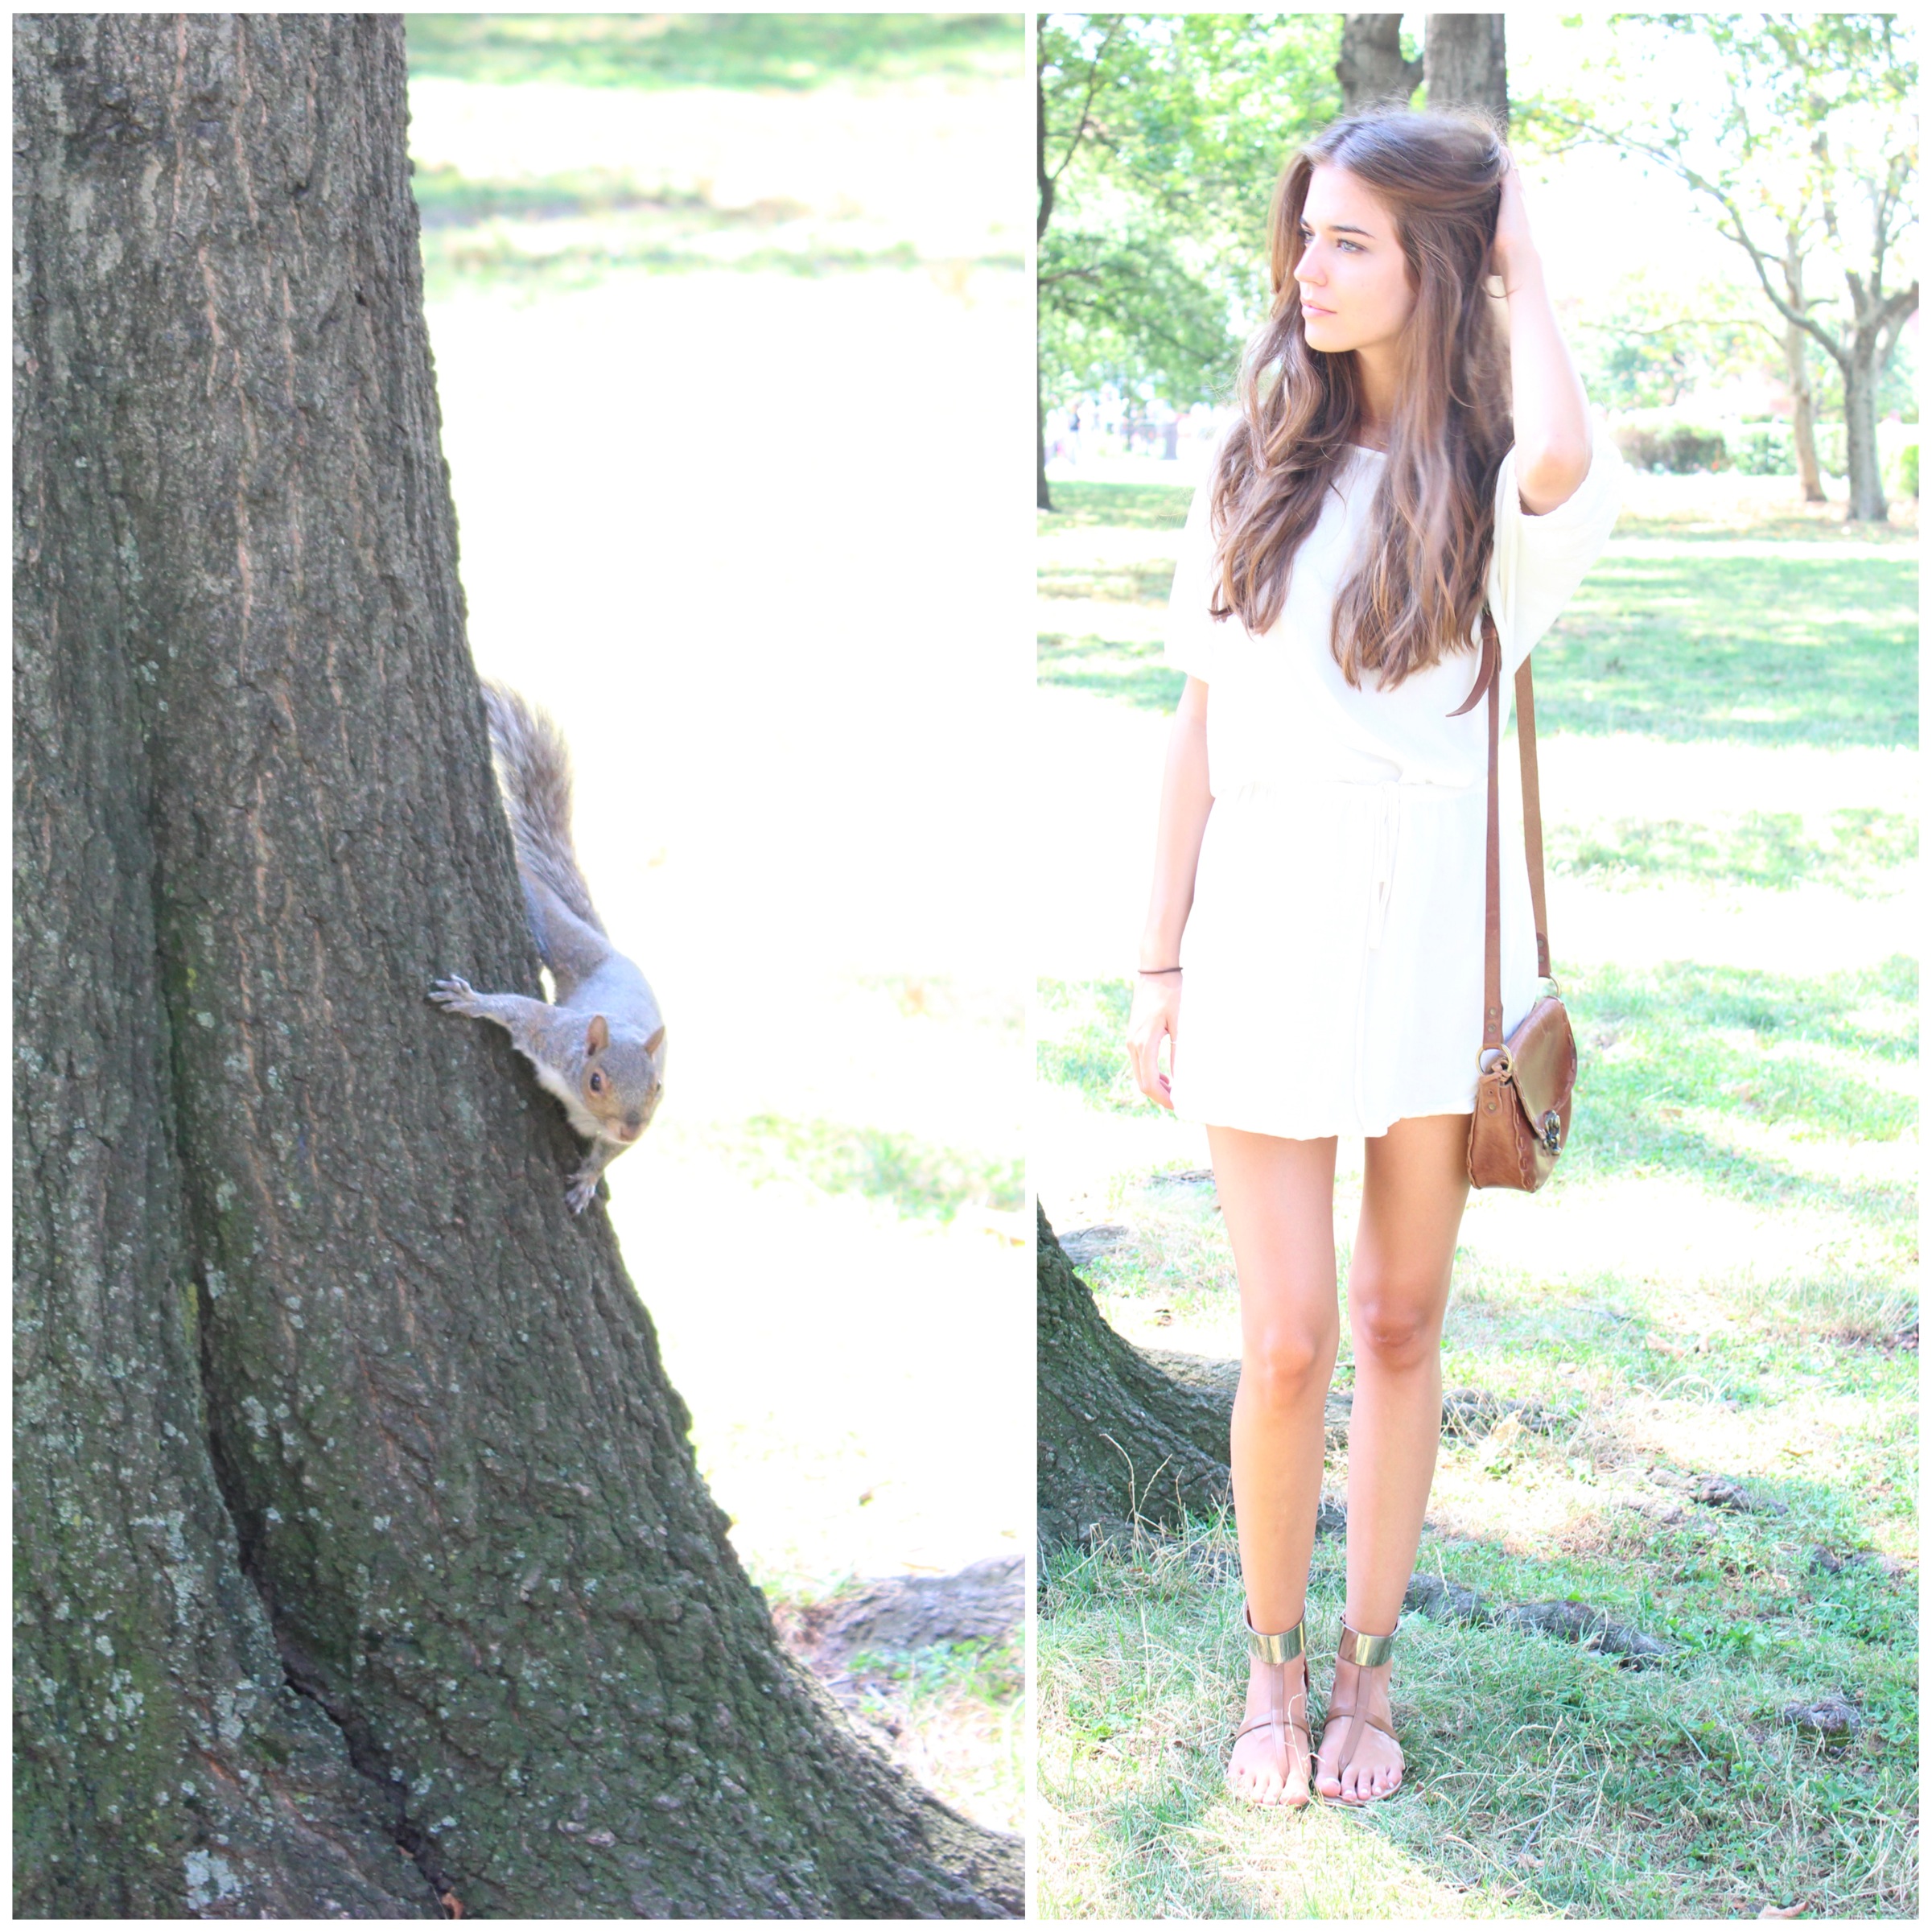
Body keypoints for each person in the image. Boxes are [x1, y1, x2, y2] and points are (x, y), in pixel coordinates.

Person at [1124, 109, 1623, 1810]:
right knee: (1285, 1338)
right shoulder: (1250, 457)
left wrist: (1522, 254)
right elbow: (1194, 730)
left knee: (1400, 1321)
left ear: (1437, 266)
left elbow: (1562, 451)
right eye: (1305, 236)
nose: (1305, 270)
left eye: (1348, 241)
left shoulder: (1494, 481)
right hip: (1260, 924)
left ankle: (1367, 1672)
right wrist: (1154, 965)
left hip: (1431, 942)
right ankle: (1265, 1668)